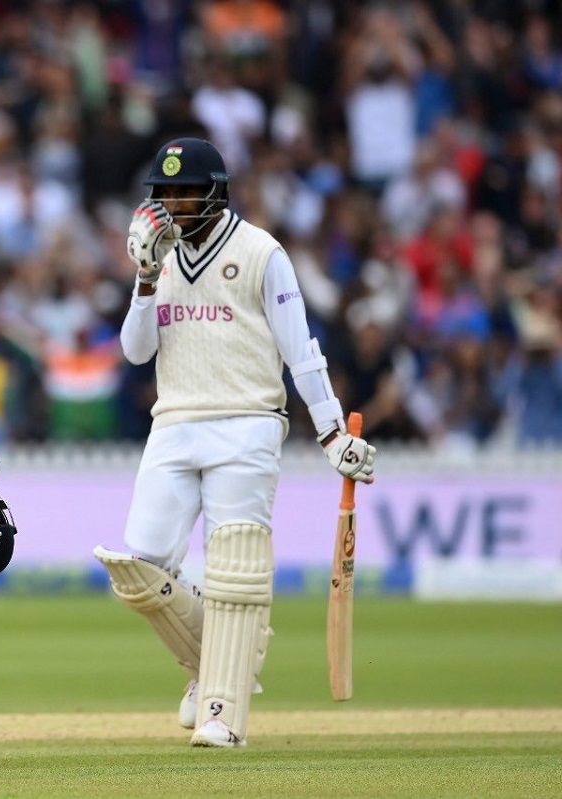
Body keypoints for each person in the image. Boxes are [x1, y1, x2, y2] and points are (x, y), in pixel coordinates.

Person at [94, 137, 376, 748]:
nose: (171, 203)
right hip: (173, 423)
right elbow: (135, 351)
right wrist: (144, 277)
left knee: (235, 570)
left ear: (216, 192)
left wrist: (330, 432)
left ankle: (224, 713)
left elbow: (301, 350)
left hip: (247, 422)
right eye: (163, 193)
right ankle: (215, 663)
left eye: (184, 191)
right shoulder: (159, 257)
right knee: (138, 569)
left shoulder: (260, 252)